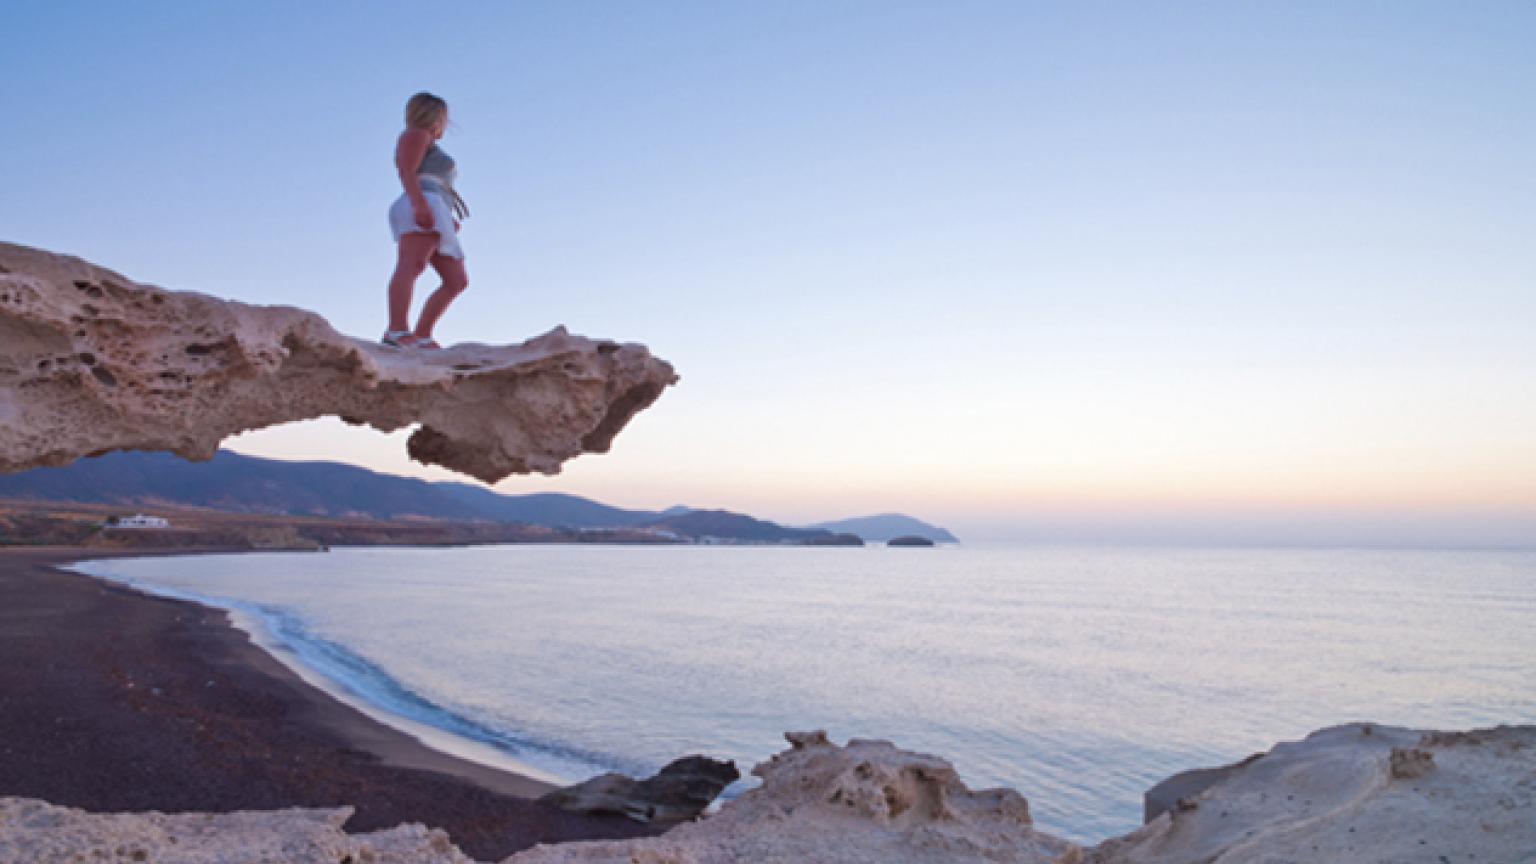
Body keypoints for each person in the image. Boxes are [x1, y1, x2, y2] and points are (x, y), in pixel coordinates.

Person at [383, 92, 470, 350]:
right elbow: (406, 171)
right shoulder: (416, 134)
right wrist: (420, 204)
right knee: (412, 264)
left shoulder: (426, 139)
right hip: (422, 201)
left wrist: (446, 217)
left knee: (456, 280)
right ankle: (396, 330)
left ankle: (422, 334)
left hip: (436, 207)